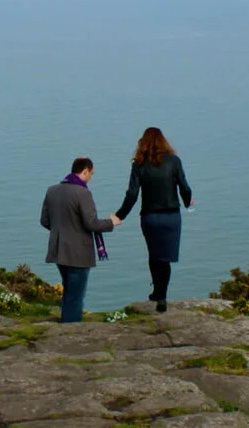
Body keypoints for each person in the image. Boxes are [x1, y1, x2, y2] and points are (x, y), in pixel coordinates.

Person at [114, 127, 194, 312]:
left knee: (154, 255)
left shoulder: (139, 164)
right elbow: (185, 187)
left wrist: (120, 215)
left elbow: (132, 194)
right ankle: (162, 297)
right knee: (164, 258)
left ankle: (156, 293)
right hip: (171, 216)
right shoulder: (174, 161)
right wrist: (187, 202)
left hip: (149, 216)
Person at [40, 157, 123, 323]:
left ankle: (66, 323)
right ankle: (72, 329)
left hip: (58, 250)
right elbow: (91, 223)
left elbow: (45, 221)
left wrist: (63, 232)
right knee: (76, 294)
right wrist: (111, 222)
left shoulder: (52, 190)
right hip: (78, 252)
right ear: (84, 171)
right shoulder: (83, 193)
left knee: (69, 290)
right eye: (91, 174)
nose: (91, 178)